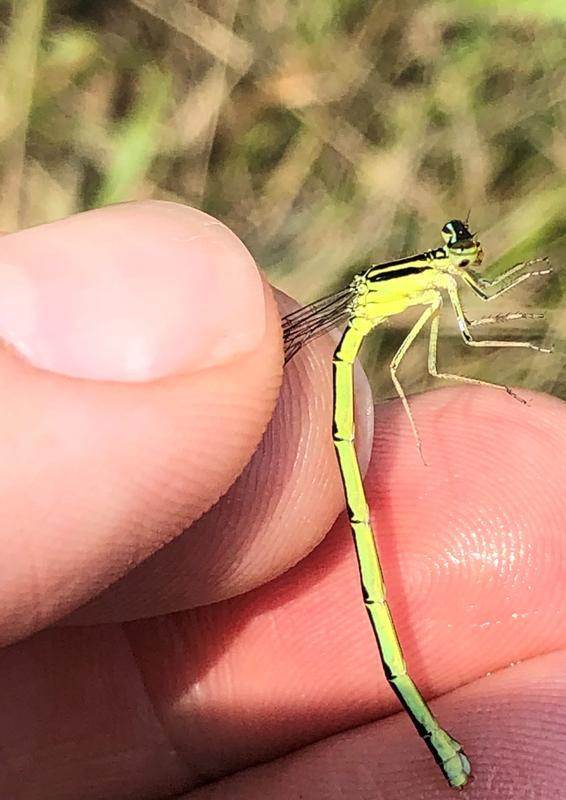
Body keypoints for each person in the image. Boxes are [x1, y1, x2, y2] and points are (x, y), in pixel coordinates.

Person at [1, 200, 565, 799]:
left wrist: (521, 284)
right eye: (456, 247)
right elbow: (426, 362)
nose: (462, 253)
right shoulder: (425, 282)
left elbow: (459, 331)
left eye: (461, 248)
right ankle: (428, 727)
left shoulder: (436, 279)